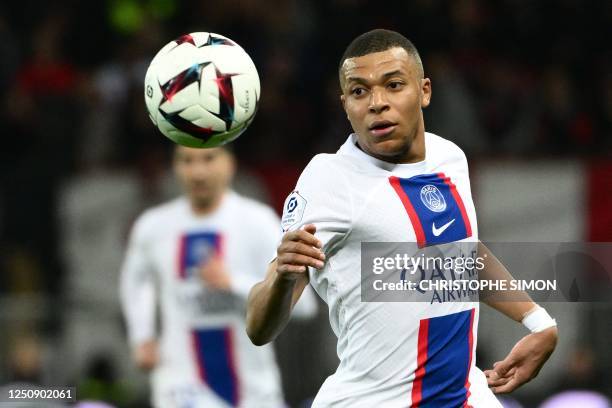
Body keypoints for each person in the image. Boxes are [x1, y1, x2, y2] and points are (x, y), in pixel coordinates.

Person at [246, 29, 558, 407]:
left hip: (464, 396)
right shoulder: (329, 179)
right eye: (359, 92)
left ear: (424, 91)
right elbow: (259, 328)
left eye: (393, 85)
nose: (377, 103)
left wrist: (537, 321)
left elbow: (460, 257)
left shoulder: (450, 159)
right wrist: (283, 275)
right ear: (345, 105)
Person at [120, 145, 316, 408]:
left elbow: (304, 306)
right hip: (181, 386)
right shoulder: (153, 226)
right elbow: (136, 281)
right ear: (175, 167)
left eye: (209, 158)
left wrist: (233, 283)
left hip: (253, 390)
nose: (198, 172)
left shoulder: (258, 221)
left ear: (230, 163)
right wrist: (141, 335)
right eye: (187, 161)